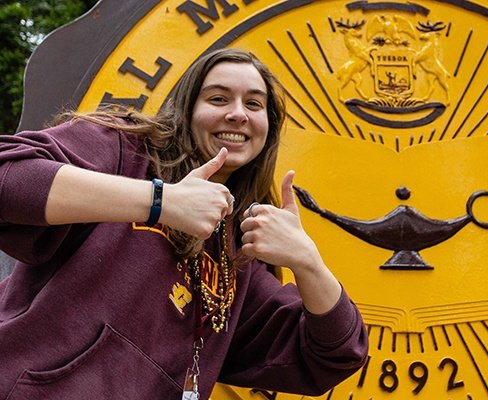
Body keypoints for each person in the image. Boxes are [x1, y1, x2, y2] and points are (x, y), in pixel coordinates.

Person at [0, 48, 368, 400]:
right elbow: (8, 175)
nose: (238, 114)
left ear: (268, 128)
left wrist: (308, 262)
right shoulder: (124, 149)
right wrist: (160, 201)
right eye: (219, 99)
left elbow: (337, 354)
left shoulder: (236, 260)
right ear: (187, 108)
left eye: (254, 104)